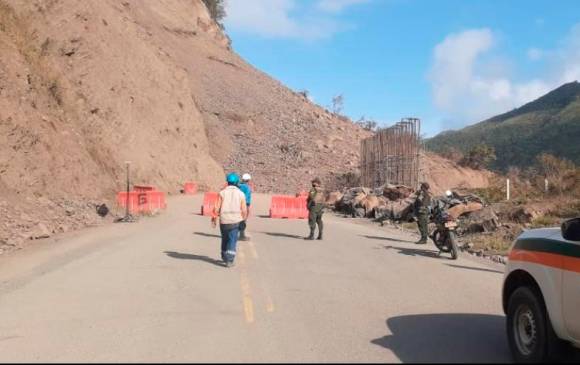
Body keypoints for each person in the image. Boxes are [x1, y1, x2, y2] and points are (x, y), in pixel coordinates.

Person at [212, 173, 248, 267]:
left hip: (224, 220)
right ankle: (230, 260)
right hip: (235, 221)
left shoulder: (222, 193)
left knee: (224, 238)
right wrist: (243, 220)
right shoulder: (241, 194)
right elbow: (244, 210)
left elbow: (216, 208)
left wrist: (214, 218)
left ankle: (224, 256)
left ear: (227, 182)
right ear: (236, 182)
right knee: (232, 240)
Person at [238, 173, 252, 241]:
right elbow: (246, 197)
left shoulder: (238, 186)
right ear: (248, 180)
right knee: (243, 220)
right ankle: (242, 235)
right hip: (245, 204)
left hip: (237, 204)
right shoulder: (247, 187)